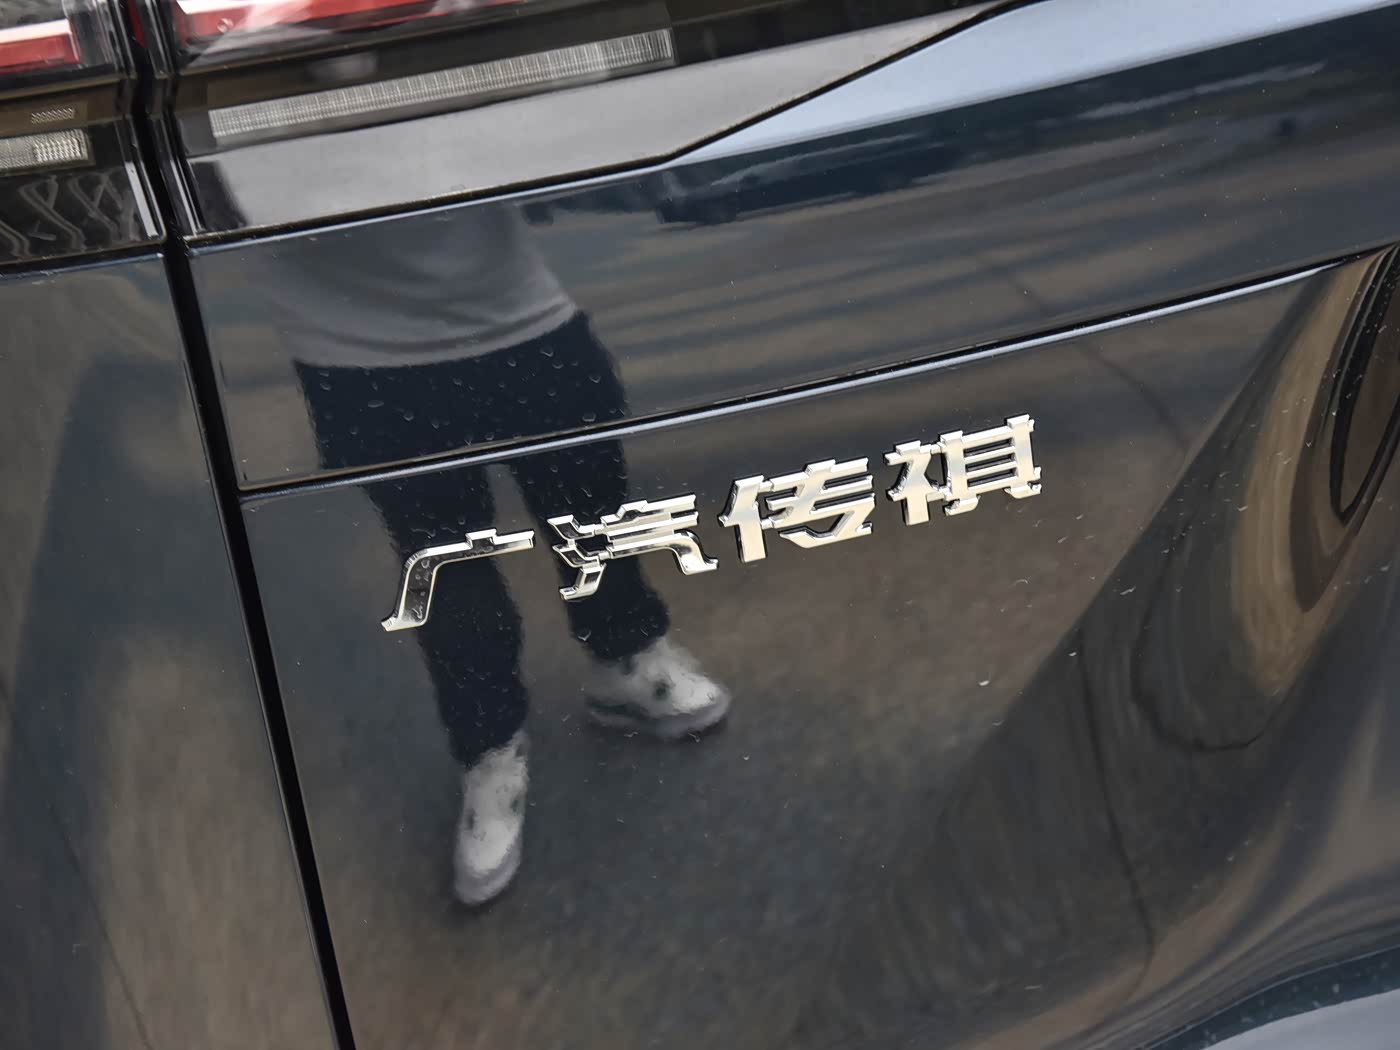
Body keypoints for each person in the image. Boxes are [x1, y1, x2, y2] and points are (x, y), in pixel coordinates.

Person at [290, 203, 730, 904]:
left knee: (593, 511)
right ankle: (489, 747)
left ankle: (625, 659)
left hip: (521, 313)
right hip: (358, 350)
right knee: (445, 564)